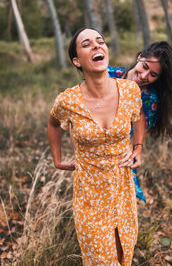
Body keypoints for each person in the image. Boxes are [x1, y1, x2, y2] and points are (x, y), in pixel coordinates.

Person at [48, 28, 146, 265]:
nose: (96, 46)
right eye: (87, 44)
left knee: (124, 254)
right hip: (89, 196)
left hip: (122, 190)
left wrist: (138, 148)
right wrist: (57, 160)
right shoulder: (68, 100)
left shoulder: (130, 91)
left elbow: (139, 115)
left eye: (100, 41)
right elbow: (53, 123)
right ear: (76, 61)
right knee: (99, 260)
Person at [108, 41, 172, 201]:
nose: (144, 76)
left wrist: (130, 152)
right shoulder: (108, 75)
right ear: (140, 57)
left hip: (121, 156)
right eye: (145, 67)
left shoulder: (149, 98)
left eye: (153, 75)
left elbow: (137, 142)